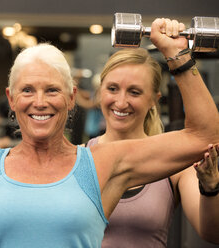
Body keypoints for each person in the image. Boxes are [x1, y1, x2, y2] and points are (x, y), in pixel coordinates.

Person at [0, 15, 219, 248]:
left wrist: (177, 54)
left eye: (51, 91)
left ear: (70, 98)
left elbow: (204, 135)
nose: (39, 102)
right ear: (11, 99)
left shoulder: (101, 164)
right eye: (28, 91)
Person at [85, 47, 219, 247]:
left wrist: (211, 187)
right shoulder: (77, 158)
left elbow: (212, 233)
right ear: (100, 92)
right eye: (112, 89)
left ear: (153, 101)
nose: (121, 102)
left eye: (134, 92)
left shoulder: (174, 165)